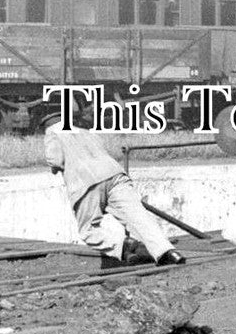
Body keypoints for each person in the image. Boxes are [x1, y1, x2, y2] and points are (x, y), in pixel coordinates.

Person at [42, 113, 185, 268]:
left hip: (86, 182)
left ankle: (125, 245)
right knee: (138, 217)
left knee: (88, 231)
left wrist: (56, 167)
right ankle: (168, 252)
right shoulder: (85, 131)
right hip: (114, 174)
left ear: (46, 125)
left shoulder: (52, 133)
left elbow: (55, 160)